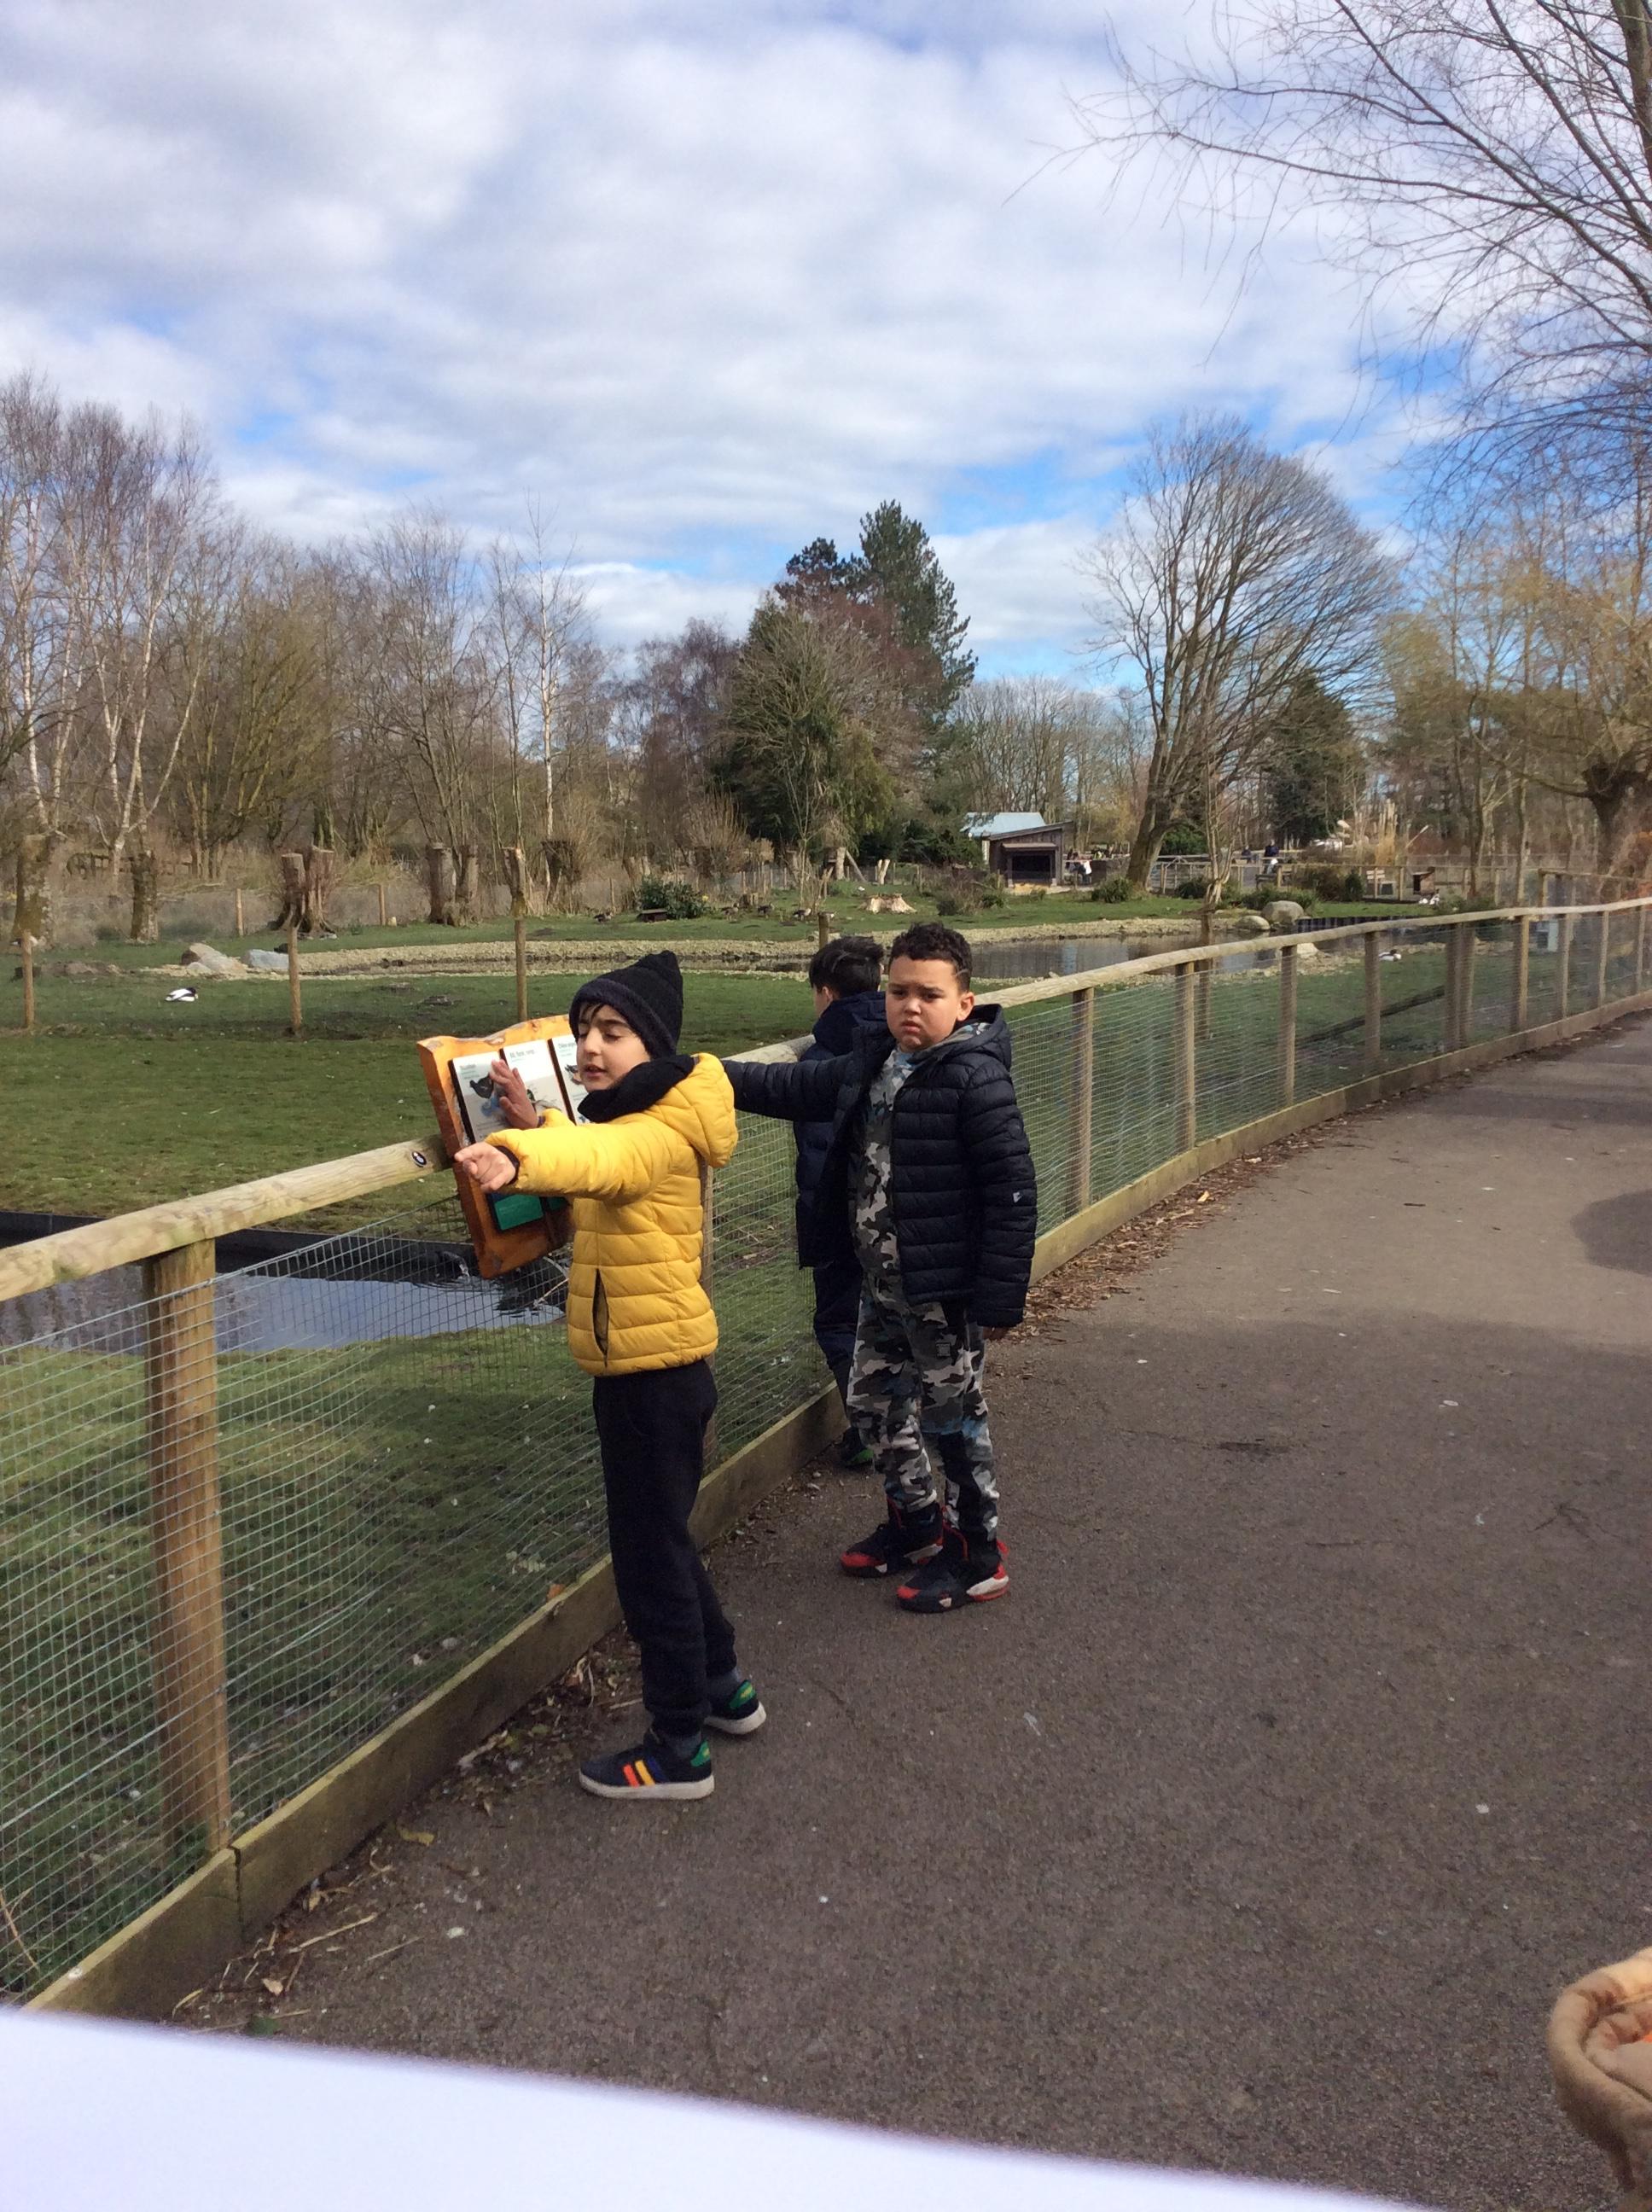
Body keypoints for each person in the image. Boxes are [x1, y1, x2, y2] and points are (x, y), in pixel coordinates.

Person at [453, 951, 761, 1803]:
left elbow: (603, 1161)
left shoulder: (653, 1134)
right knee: (665, 1540)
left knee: (648, 1563)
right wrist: (536, 1119)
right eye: (585, 1029)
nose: (591, 1046)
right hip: (658, 1368)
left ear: (653, 1046)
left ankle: (678, 1749)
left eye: (614, 1032)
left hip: (647, 1380)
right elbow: (595, 1147)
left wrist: (513, 1153)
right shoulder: (654, 1116)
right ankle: (724, 1688)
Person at [724, 922, 1036, 1614]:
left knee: (953, 1422)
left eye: (929, 995)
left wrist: (1000, 1295)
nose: (910, 1007)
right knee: (872, 1403)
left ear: (964, 1003)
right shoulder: (877, 1060)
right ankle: (916, 1520)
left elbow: (1013, 1189)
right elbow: (791, 1086)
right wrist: (700, 1073)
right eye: (899, 992)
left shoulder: (975, 1076)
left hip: (943, 1293)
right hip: (884, 1286)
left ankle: (977, 1553)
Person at [799, 935, 887, 1468]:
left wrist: (820, 1223)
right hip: (897, 1214)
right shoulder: (900, 1041)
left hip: (842, 1217)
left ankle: (869, 1429)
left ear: (826, 993)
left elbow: (818, 1152)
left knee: (838, 1321)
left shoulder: (821, 1059)